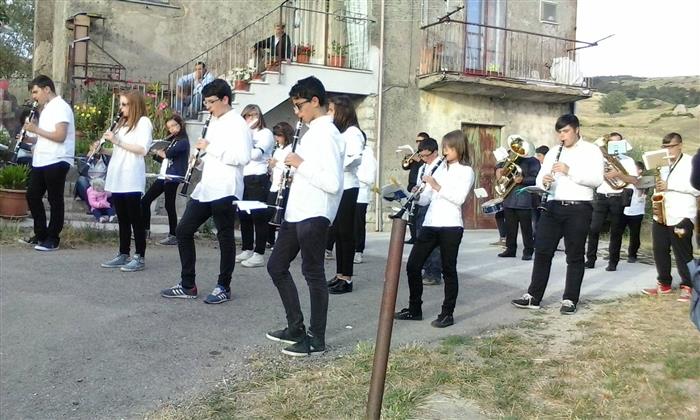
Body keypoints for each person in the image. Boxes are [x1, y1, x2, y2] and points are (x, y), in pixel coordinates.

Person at [265, 76, 344, 356]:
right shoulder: (312, 132)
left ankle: (317, 338)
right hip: (297, 211)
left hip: (315, 212)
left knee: (313, 274)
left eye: (299, 106)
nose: (297, 112)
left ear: (315, 101)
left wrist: (300, 164)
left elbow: (333, 183)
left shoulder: (328, 134)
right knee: (276, 266)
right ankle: (295, 327)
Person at [161, 79, 252, 303]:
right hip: (208, 186)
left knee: (224, 236)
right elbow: (212, 157)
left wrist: (211, 148)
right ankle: (188, 285)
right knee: (183, 230)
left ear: (225, 99)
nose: (208, 107)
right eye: (206, 102)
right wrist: (199, 161)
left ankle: (223, 286)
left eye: (211, 102)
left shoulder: (238, 124)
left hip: (227, 187)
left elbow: (242, 157)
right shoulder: (213, 122)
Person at [511, 114, 604, 315]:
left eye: (566, 131)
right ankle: (533, 296)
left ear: (577, 130)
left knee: (574, 255)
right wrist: (544, 182)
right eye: (559, 132)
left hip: (579, 207)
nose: (562, 136)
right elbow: (539, 179)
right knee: (542, 251)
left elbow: (597, 180)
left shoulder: (591, 151)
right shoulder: (554, 152)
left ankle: (570, 299)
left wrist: (569, 170)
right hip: (553, 206)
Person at [394, 130, 474, 328]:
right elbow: (427, 199)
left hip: (451, 225)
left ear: (458, 148)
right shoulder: (439, 168)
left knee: (448, 270)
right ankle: (415, 309)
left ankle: (447, 313)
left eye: (448, 148)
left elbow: (459, 199)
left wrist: (436, 186)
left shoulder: (466, 171)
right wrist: (416, 194)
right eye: (444, 147)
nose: (445, 151)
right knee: (413, 266)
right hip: (430, 223)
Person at [641, 133, 699, 303]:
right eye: (665, 147)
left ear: (680, 145)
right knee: (659, 249)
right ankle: (664, 283)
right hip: (662, 213)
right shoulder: (663, 164)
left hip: (682, 214)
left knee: (682, 252)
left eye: (671, 146)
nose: (668, 150)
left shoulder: (691, 163)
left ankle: (688, 286)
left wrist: (670, 185)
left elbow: (696, 188)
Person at [100, 91, 153, 272]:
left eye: (124, 105)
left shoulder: (143, 122)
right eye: (120, 105)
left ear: (134, 105)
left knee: (135, 218)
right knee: (122, 217)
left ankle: (139, 256)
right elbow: (119, 150)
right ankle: (123, 253)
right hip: (118, 174)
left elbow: (142, 149)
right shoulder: (122, 125)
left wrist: (117, 141)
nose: (121, 108)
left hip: (131, 175)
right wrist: (102, 150)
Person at [21, 75, 76, 251]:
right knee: (32, 195)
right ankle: (41, 234)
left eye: (35, 92)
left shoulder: (61, 107)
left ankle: (53, 238)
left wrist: (35, 129)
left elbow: (60, 136)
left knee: (54, 199)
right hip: (42, 159)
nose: (34, 97)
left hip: (57, 159)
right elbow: (45, 136)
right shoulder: (46, 109)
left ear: (47, 89)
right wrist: (29, 138)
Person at [585, 132, 639, 271]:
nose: (615, 145)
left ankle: (613, 262)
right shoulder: (600, 159)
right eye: (612, 142)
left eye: (618, 142)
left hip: (618, 196)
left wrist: (619, 174)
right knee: (594, 229)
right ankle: (590, 259)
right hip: (602, 196)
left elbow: (634, 180)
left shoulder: (628, 160)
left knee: (616, 231)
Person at [326, 95, 363, 295]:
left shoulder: (353, 133)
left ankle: (347, 278)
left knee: (346, 234)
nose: (329, 114)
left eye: (332, 110)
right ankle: (340, 273)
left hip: (349, 186)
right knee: (338, 232)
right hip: (340, 186)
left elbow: (354, 158)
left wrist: (335, 164)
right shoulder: (341, 133)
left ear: (342, 111)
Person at [235, 104, 276, 268]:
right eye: (247, 116)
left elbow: (255, 154)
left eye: (253, 115)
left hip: (257, 177)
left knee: (258, 217)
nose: (250, 119)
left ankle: (259, 253)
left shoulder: (265, 133)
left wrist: (244, 142)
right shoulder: (244, 133)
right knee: (244, 216)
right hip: (243, 177)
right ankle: (247, 248)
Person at [141, 114, 190, 245]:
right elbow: (164, 159)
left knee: (169, 205)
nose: (172, 129)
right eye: (169, 127)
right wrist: (154, 153)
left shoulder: (183, 141)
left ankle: (173, 235)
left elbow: (168, 154)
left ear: (181, 125)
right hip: (164, 176)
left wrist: (157, 150)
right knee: (145, 200)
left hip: (173, 177)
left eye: (174, 125)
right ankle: (145, 231)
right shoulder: (173, 140)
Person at [497, 146, 541, 260]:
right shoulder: (511, 160)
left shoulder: (533, 161)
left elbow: (536, 178)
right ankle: (510, 250)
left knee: (526, 228)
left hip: (524, 198)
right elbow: (502, 174)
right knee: (510, 228)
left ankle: (528, 251)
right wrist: (501, 173)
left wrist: (523, 180)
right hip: (509, 198)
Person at [413, 138, 444, 285]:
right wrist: (417, 189)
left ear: (435, 152)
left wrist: (432, 184)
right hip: (423, 205)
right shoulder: (423, 167)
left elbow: (440, 188)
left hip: (436, 206)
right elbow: (422, 187)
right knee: (422, 239)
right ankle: (426, 269)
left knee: (434, 243)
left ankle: (434, 273)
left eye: (427, 156)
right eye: (422, 156)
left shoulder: (442, 167)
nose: (424, 159)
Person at [266, 121, 295, 248]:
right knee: (270, 212)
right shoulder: (278, 149)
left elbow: (292, 169)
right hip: (275, 184)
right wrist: (270, 166)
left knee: (282, 215)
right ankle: (270, 240)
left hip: (284, 186)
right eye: (275, 135)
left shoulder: (293, 148)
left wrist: (276, 164)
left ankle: (280, 242)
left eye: (279, 135)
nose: (276, 138)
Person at [353, 135, 377, 264]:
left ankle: (358, 250)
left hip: (360, 195)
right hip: (348, 192)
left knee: (358, 224)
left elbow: (369, 178)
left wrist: (354, 175)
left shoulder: (368, 155)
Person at [403, 131, 430, 244]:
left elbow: (426, 167)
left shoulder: (426, 155)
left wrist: (418, 160)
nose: (418, 143)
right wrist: (408, 159)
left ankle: (419, 238)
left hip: (421, 189)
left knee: (419, 215)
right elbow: (405, 167)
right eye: (417, 141)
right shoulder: (416, 154)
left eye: (420, 141)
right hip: (411, 186)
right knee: (411, 214)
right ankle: (413, 237)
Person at [619, 161, 646, 263]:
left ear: (640, 170)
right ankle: (614, 252)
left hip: (637, 211)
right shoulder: (626, 180)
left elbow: (641, 193)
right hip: (624, 209)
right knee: (617, 232)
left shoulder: (644, 180)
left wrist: (632, 180)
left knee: (634, 234)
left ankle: (632, 254)